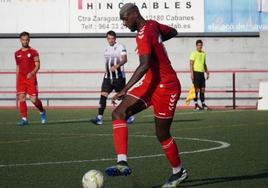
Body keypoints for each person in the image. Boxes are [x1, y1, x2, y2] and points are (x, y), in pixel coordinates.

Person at [104, 3, 188, 187]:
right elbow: (173, 32)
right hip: (151, 82)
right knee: (118, 113)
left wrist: (125, 88)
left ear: (134, 14)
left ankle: (178, 171)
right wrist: (156, 42)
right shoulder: (152, 25)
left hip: (167, 86)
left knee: (162, 133)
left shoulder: (144, 34)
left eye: (125, 19)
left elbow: (144, 64)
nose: (124, 24)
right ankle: (122, 162)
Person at [90, 30, 134, 125]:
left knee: (122, 97)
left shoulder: (120, 46)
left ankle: (129, 116)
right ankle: (99, 118)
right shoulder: (106, 49)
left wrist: (117, 66)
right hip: (107, 78)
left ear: (115, 39)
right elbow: (108, 63)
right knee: (103, 96)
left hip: (119, 78)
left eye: (112, 39)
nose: (111, 40)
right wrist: (107, 70)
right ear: (107, 39)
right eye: (109, 39)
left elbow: (125, 59)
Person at [15, 31, 47, 125]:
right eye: (23, 40)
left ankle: (42, 111)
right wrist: (17, 80)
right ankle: (24, 119)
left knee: (34, 100)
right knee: (22, 98)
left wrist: (32, 73)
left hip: (31, 79)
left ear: (29, 40)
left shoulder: (33, 52)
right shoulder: (17, 53)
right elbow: (18, 67)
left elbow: (38, 65)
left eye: (27, 40)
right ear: (20, 40)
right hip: (21, 79)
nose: (25, 42)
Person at [190, 40, 210, 110]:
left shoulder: (203, 53)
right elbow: (191, 64)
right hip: (196, 73)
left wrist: (207, 72)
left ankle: (203, 104)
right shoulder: (193, 53)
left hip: (202, 73)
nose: (200, 46)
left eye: (201, 45)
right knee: (197, 90)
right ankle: (196, 104)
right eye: (198, 45)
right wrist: (192, 74)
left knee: (203, 89)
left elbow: (204, 63)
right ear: (196, 46)